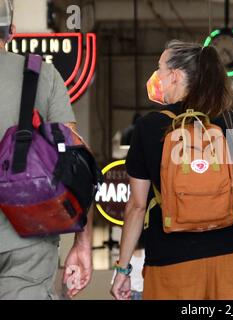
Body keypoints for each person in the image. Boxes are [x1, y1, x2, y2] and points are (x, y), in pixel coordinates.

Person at [110, 40, 233, 300]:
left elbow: (136, 206)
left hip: (171, 264)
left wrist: (123, 268)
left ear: (176, 76)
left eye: (159, 69)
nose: (156, 76)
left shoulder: (148, 127)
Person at [0, 0, 92, 299]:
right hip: (28, 232)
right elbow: (74, 161)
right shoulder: (41, 74)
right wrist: (82, 241)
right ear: (11, 32)